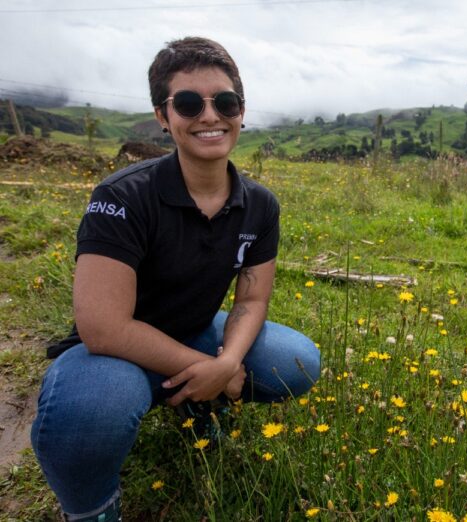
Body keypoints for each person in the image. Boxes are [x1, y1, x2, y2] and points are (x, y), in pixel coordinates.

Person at [31, 36, 321, 522]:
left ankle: (197, 406)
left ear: (241, 111)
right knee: (89, 414)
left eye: (224, 101)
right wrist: (215, 369)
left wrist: (227, 359)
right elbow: (103, 327)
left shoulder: (261, 205)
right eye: (188, 103)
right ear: (164, 117)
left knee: (295, 363)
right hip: (114, 355)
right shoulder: (122, 196)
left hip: (196, 330)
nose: (209, 116)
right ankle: (92, 509)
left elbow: (251, 301)